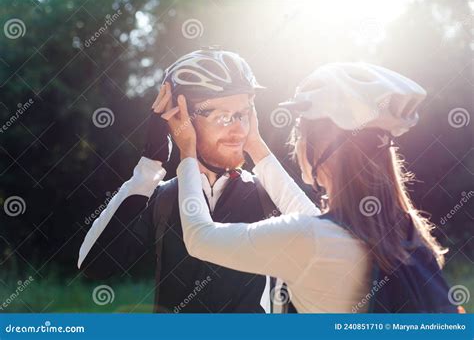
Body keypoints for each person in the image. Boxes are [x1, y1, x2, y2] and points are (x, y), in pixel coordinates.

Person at [169, 62, 458, 313]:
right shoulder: (403, 231)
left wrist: (187, 152)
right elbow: (310, 222)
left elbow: (200, 238)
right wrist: (254, 145)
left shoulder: (311, 240)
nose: (296, 143)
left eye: (299, 133)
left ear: (320, 149)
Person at [77, 48, 319, 313]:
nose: (238, 129)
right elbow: (94, 265)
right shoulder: (165, 198)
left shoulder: (271, 194)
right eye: (223, 116)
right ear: (181, 119)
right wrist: (150, 164)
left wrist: (257, 145)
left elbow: (323, 242)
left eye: (244, 113)